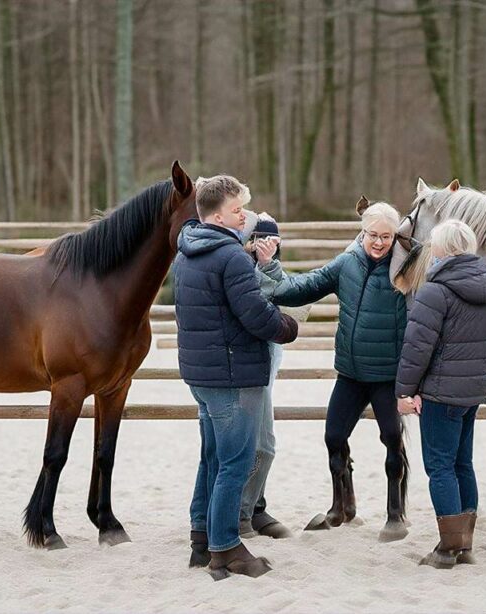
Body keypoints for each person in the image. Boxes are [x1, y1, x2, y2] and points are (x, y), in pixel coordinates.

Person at [172, 175, 299, 580]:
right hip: (231, 374)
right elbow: (256, 317)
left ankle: (201, 534)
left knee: (211, 457)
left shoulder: (187, 251)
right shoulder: (229, 257)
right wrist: (289, 326)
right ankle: (226, 547)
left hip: (202, 374)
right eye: (238, 209)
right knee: (234, 463)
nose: (245, 215)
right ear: (217, 214)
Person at [269, 200, 411, 542]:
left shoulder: (407, 269)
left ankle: (396, 512)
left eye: (386, 237)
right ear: (362, 232)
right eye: (372, 234)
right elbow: (303, 287)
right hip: (350, 373)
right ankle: (342, 506)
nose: (378, 242)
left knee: (392, 439)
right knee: (333, 437)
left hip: (387, 375)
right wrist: (263, 277)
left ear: (396, 237)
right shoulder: (346, 263)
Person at [395, 219, 486, 569]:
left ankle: (448, 549)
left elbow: (417, 347)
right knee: (462, 463)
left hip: (442, 393)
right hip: (473, 390)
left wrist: (405, 391)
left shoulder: (435, 290)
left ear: (440, 249)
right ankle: (465, 544)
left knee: (440, 466)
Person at [237, 213, 311, 539]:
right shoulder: (239, 272)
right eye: (260, 240)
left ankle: (255, 507)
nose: (267, 247)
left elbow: (288, 294)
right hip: (245, 370)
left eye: (273, 241)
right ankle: (242, 511)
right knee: (259, 446)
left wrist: (270, 265)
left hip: (265, 368)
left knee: (259, 443)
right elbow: (253, 301)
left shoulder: (272, 272)